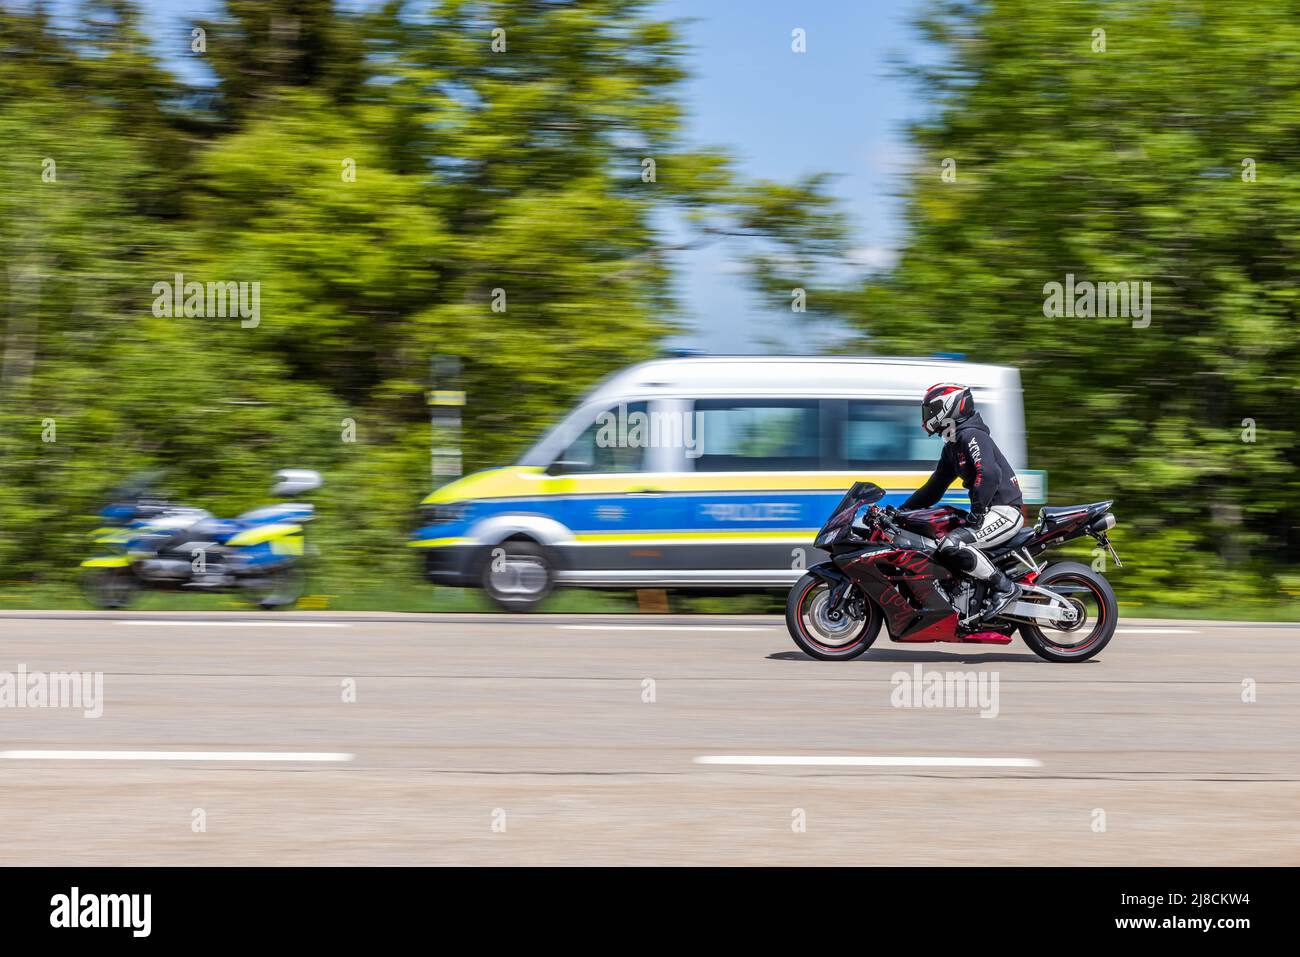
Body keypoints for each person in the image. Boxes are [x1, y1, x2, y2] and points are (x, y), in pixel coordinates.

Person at [899, 382, 1024, 619]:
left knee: (951, 545)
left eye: (930, 410)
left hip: (1004, 512)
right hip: (990, 511)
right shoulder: (954, 446)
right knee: (938, 538)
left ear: (947, 407)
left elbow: (989, 474)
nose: (927, 417)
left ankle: (1004, 588)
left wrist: (976, 513)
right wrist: (900, 512)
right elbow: (934, 488)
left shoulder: (971, 435)